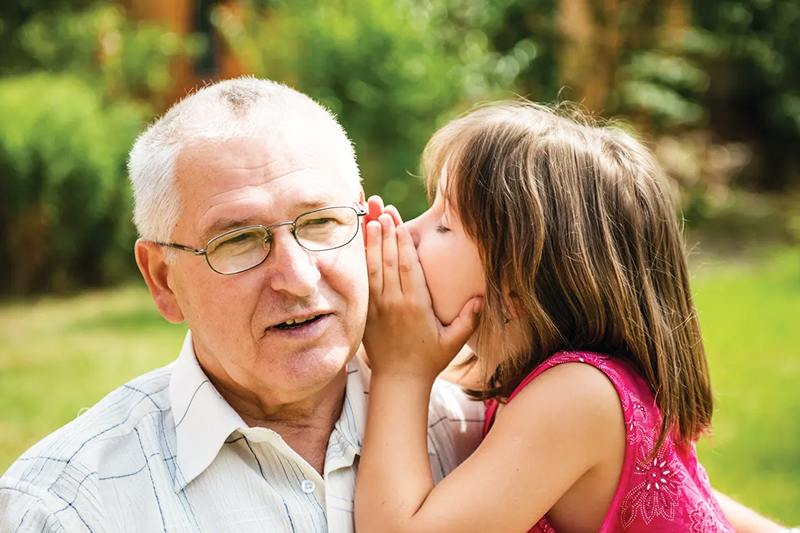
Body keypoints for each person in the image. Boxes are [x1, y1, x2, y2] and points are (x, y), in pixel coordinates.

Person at [0, 77, 483, 532]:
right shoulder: (67, 509)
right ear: (163, 279)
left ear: (366, 225)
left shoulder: (475, 433)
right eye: (238, 240)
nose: (296, 278)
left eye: (319, 222)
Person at [355, 101, 794, 532]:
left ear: (519, 287)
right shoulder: (556, 380)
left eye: (443, 224)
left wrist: (402, 370)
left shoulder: (577, 395)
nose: (406, 231)